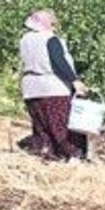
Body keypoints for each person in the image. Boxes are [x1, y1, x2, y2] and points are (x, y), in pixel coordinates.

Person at [18, 10, 87, 162]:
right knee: (61, 125)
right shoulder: (50, 39)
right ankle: (72, 156)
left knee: (41, 126)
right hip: (53, 88)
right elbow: (58, 61)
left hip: (31, 89)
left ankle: (46, 154)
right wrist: (74, 80)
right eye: (52, 22)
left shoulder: (25, 39)